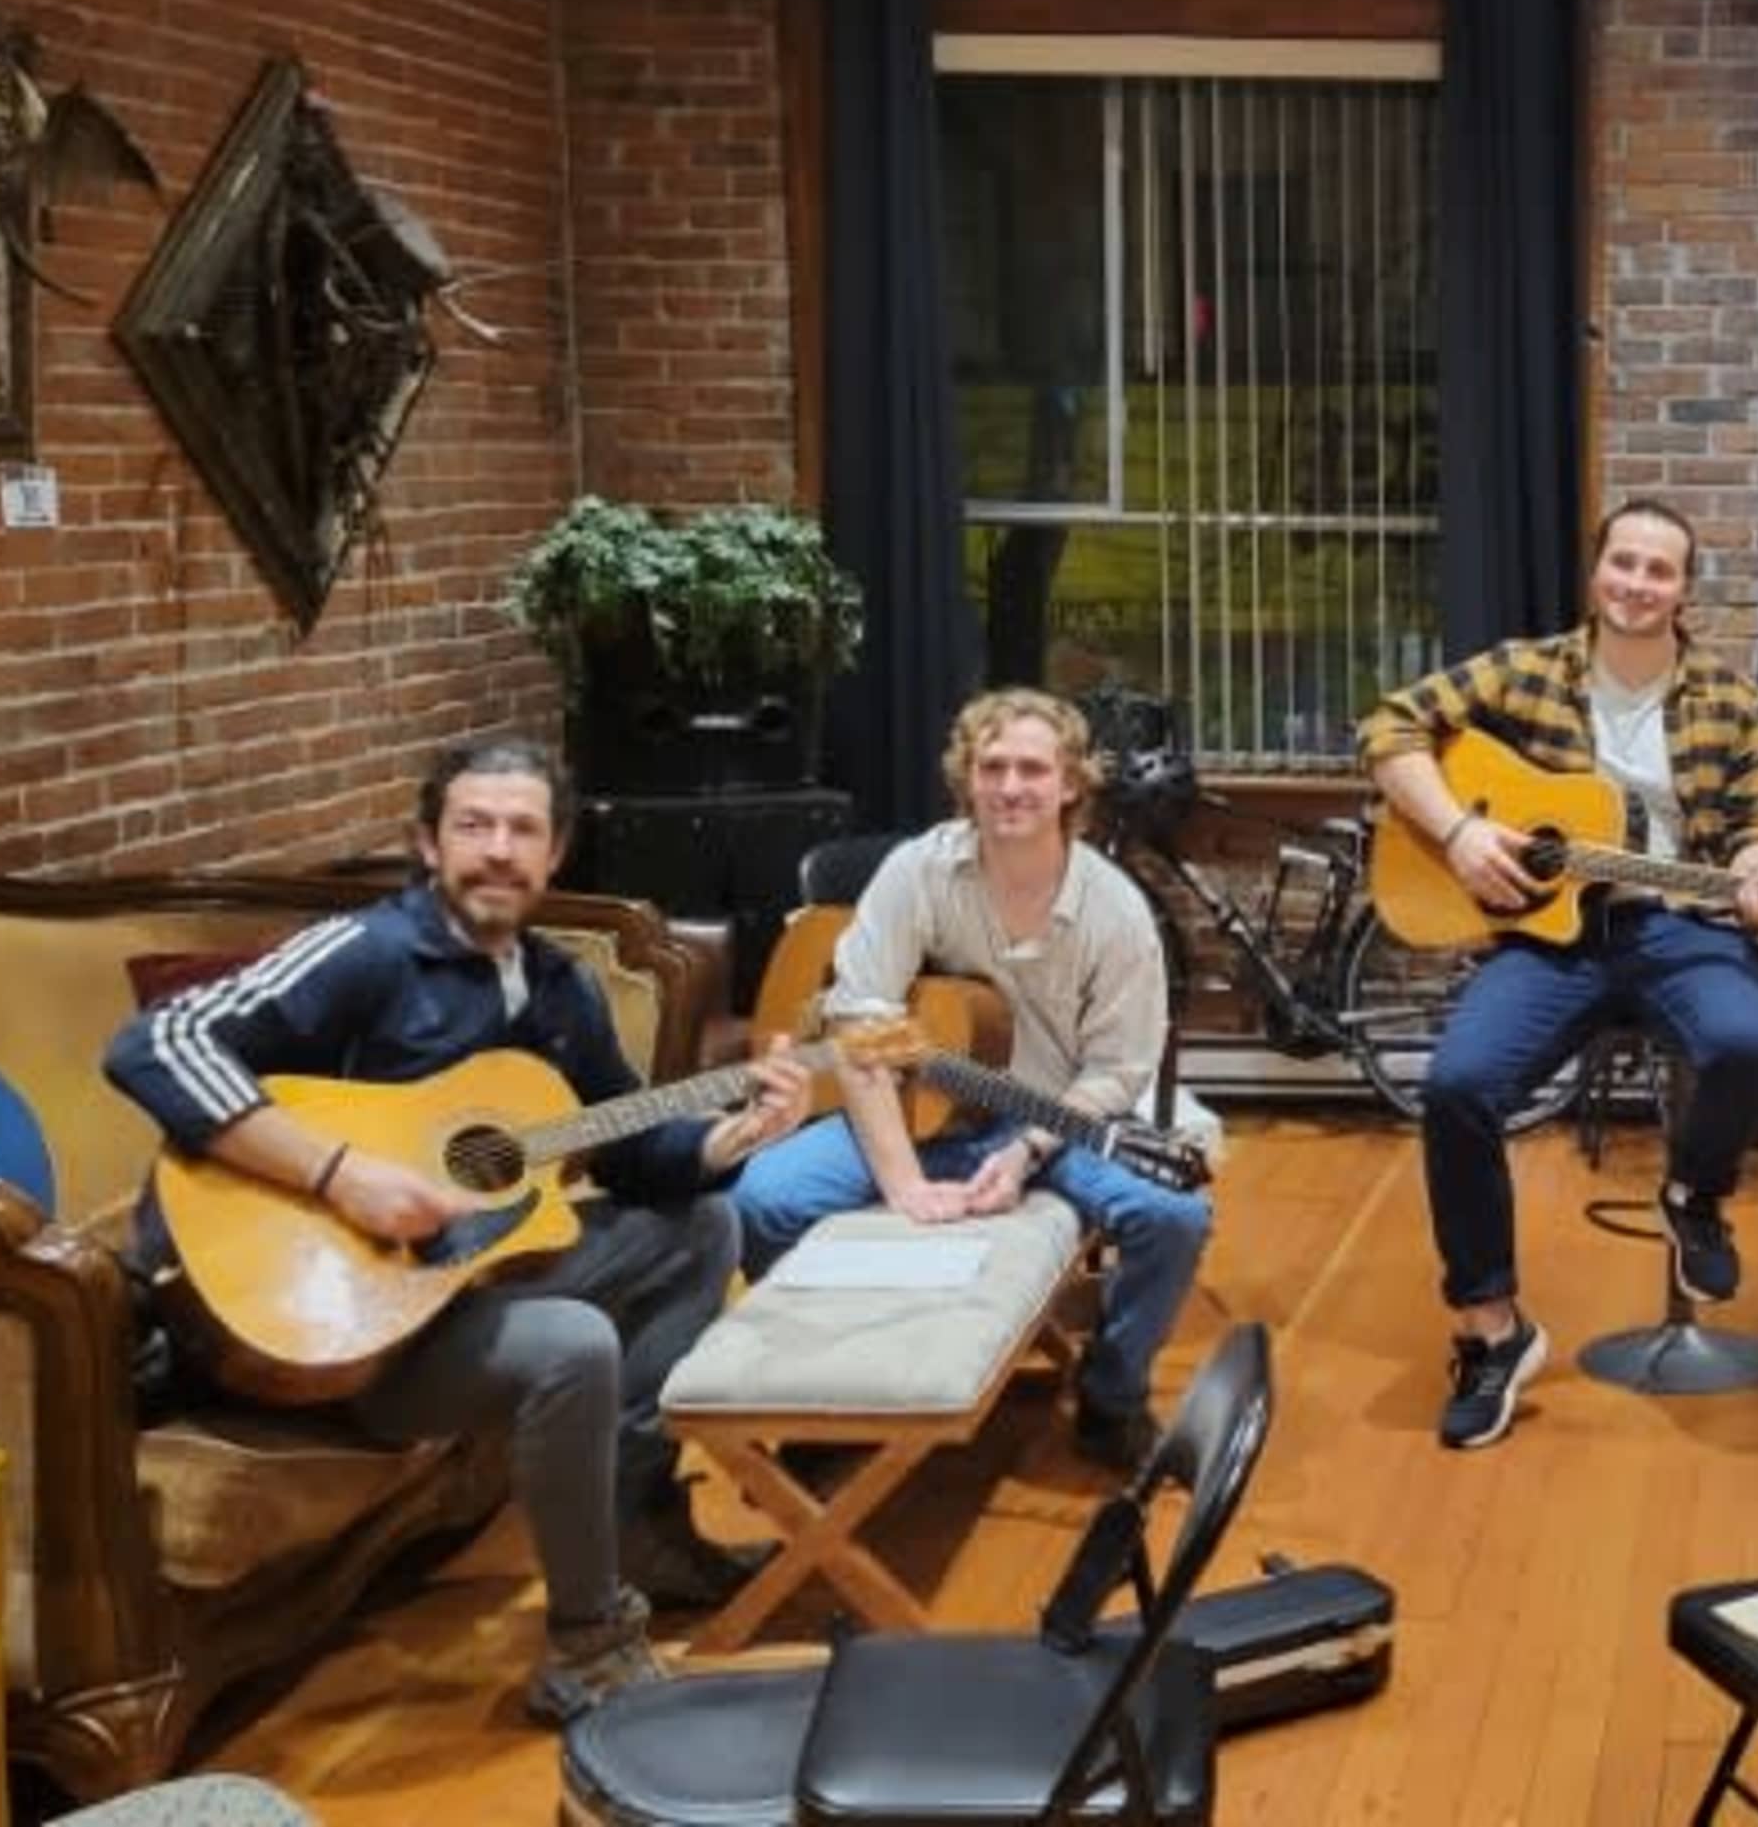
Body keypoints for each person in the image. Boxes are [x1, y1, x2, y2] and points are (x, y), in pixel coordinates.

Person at [102, 736, 812, 1726]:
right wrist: (343, 1175)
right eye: (473, 825)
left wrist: (731, 1131)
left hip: (447, 1289)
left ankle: (638, 1517)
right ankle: (587, 1646)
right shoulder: (369, 952)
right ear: (427, 842)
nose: (497, 849)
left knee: (702, 1222)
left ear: (556, 852)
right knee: (572, 1343)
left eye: (523, 828)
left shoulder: (559, 990)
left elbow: (632, 1149)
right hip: (328, 1321)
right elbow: (157, 1040)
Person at [1360, 499, 1758, 1450]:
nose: (1639, 584)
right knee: (1458, 1088)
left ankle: (1694, 1193)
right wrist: (1461, 829)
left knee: (1752, 1040)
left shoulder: (1732, 698)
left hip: (1683, 926)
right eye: (1625, 564)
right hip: (1552, 936)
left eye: (1661, 570)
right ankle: (1492, 1330)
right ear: (1596, 572)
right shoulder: (1528, 669)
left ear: (1686, 590)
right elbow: (1390, 729)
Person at [726, 687, 1212, 1469]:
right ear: (967, 778)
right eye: (992, 766)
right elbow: (858, 1022)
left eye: (1031, 768)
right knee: (760, 1200)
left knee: (1173, 1215)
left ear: (1069, 786)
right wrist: (902, 1179)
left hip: (1047, 1118)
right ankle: (829, 1396)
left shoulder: (1114, 911)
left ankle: (1111, 1396)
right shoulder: (918, 871)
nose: (1010, 786)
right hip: (913, 1112)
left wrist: (1028, 1148)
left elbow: (1118, 1066)